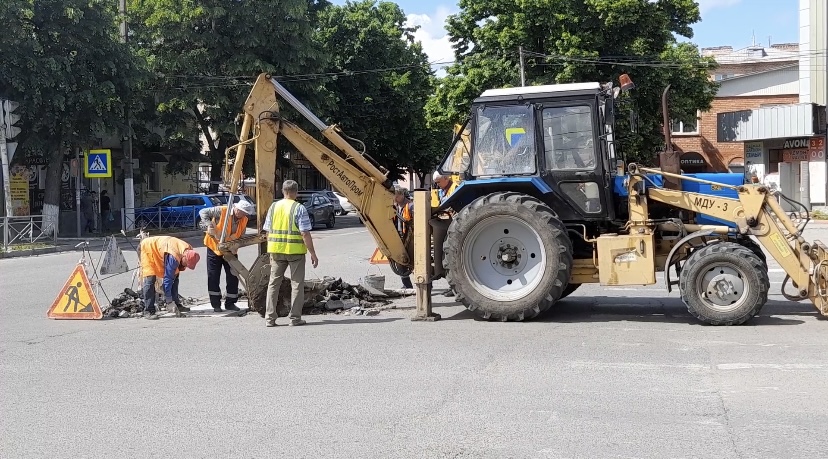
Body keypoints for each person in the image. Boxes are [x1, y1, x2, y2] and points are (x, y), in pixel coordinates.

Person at [262, 180, 319, 327]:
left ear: (282, 191)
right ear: (296, 192)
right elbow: (305, 233)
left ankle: (270, 318)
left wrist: (271, 249)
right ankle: (294, 318)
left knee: (273, 284)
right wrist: (312, 253)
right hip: (295, 253)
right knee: (297, 284)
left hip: (276, 251)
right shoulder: (299, 208)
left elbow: (267, 232)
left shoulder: (273, 207)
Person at [199, 200, 255, 312]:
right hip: (214, 248)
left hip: (230, 250)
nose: (244, 215)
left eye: (246, 214)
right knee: (213, 276)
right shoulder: (223, 211)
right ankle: (216, 304)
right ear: (237, 209)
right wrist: (209, 225)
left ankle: (230, 302)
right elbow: (203, 212)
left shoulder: (244, 219)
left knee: (233, 276)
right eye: (243, 212)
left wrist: (236, 245)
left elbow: (241, 235)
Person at [137, 235, 201, 320]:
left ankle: (176, 304)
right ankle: (148, 310)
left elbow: (172, 277)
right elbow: (167, 280)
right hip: (147, 249)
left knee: (175, 277)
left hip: (160, 249)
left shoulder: (188, 250)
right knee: (150, 279)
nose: (186, 266)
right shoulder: (174, 256)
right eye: (186, 264)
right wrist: (169, 301)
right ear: (184, 257)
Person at [430, 171, 459, 297]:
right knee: (446, 257)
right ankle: (452, 286)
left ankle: (456, 288)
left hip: (454, 225)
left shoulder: (456, 189)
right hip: (446, 224)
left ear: (446, 178)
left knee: (453, 258)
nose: (437, 185)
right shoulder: (443, 191)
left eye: (438, 182)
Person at [392, 187, 414, 289]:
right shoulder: (394, 207)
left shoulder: (410, 206)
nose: (395, 198)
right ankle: (406, 284)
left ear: (402, 195)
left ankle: (427, 284)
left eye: (397, 196)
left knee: (415, 261)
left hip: (410, 238)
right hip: (399, 236)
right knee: (400, 261)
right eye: (394, 196)